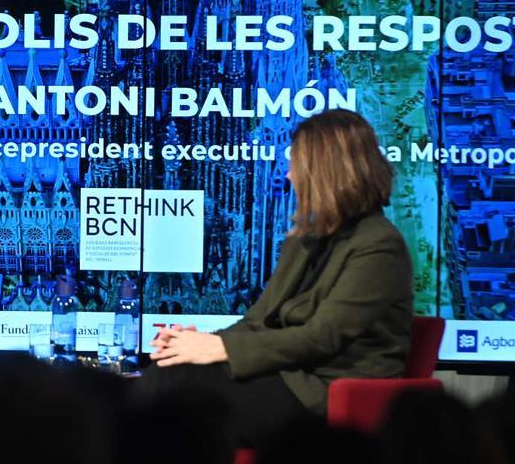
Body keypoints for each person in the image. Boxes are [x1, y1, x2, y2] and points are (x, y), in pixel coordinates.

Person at [145, 108, 413, 440]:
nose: (289, 176)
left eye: (297, 166)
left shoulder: (379, 245)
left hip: (325, 391)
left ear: (326, 173)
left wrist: (220, 350)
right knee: (168, 373)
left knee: (174, 398)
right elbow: (258, 320)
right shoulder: (306, 238)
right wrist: (197, 343)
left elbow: (322, 337)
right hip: (287, 374)